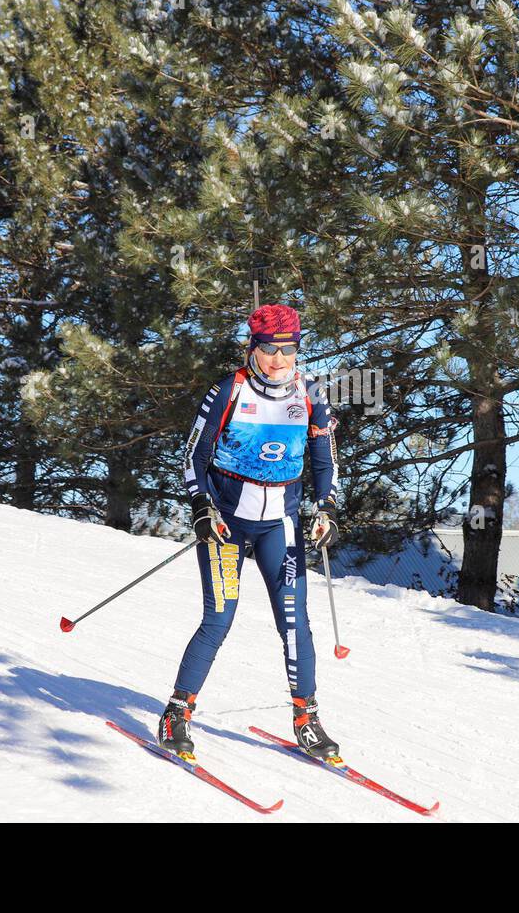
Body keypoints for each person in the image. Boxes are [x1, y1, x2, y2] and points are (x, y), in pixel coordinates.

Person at [158, 303, 342, 760]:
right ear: (253, 348)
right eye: (269, 350)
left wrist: (329, 506)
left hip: (281, 523)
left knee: (295, 622)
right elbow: (193, 457)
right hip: (226, 523)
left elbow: (324, 461)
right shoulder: (229, 390)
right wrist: (201, 506)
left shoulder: (312, 393)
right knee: (219, 617)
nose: (279, 361)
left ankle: (306, 717)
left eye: (288, 351)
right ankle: (177, 713)